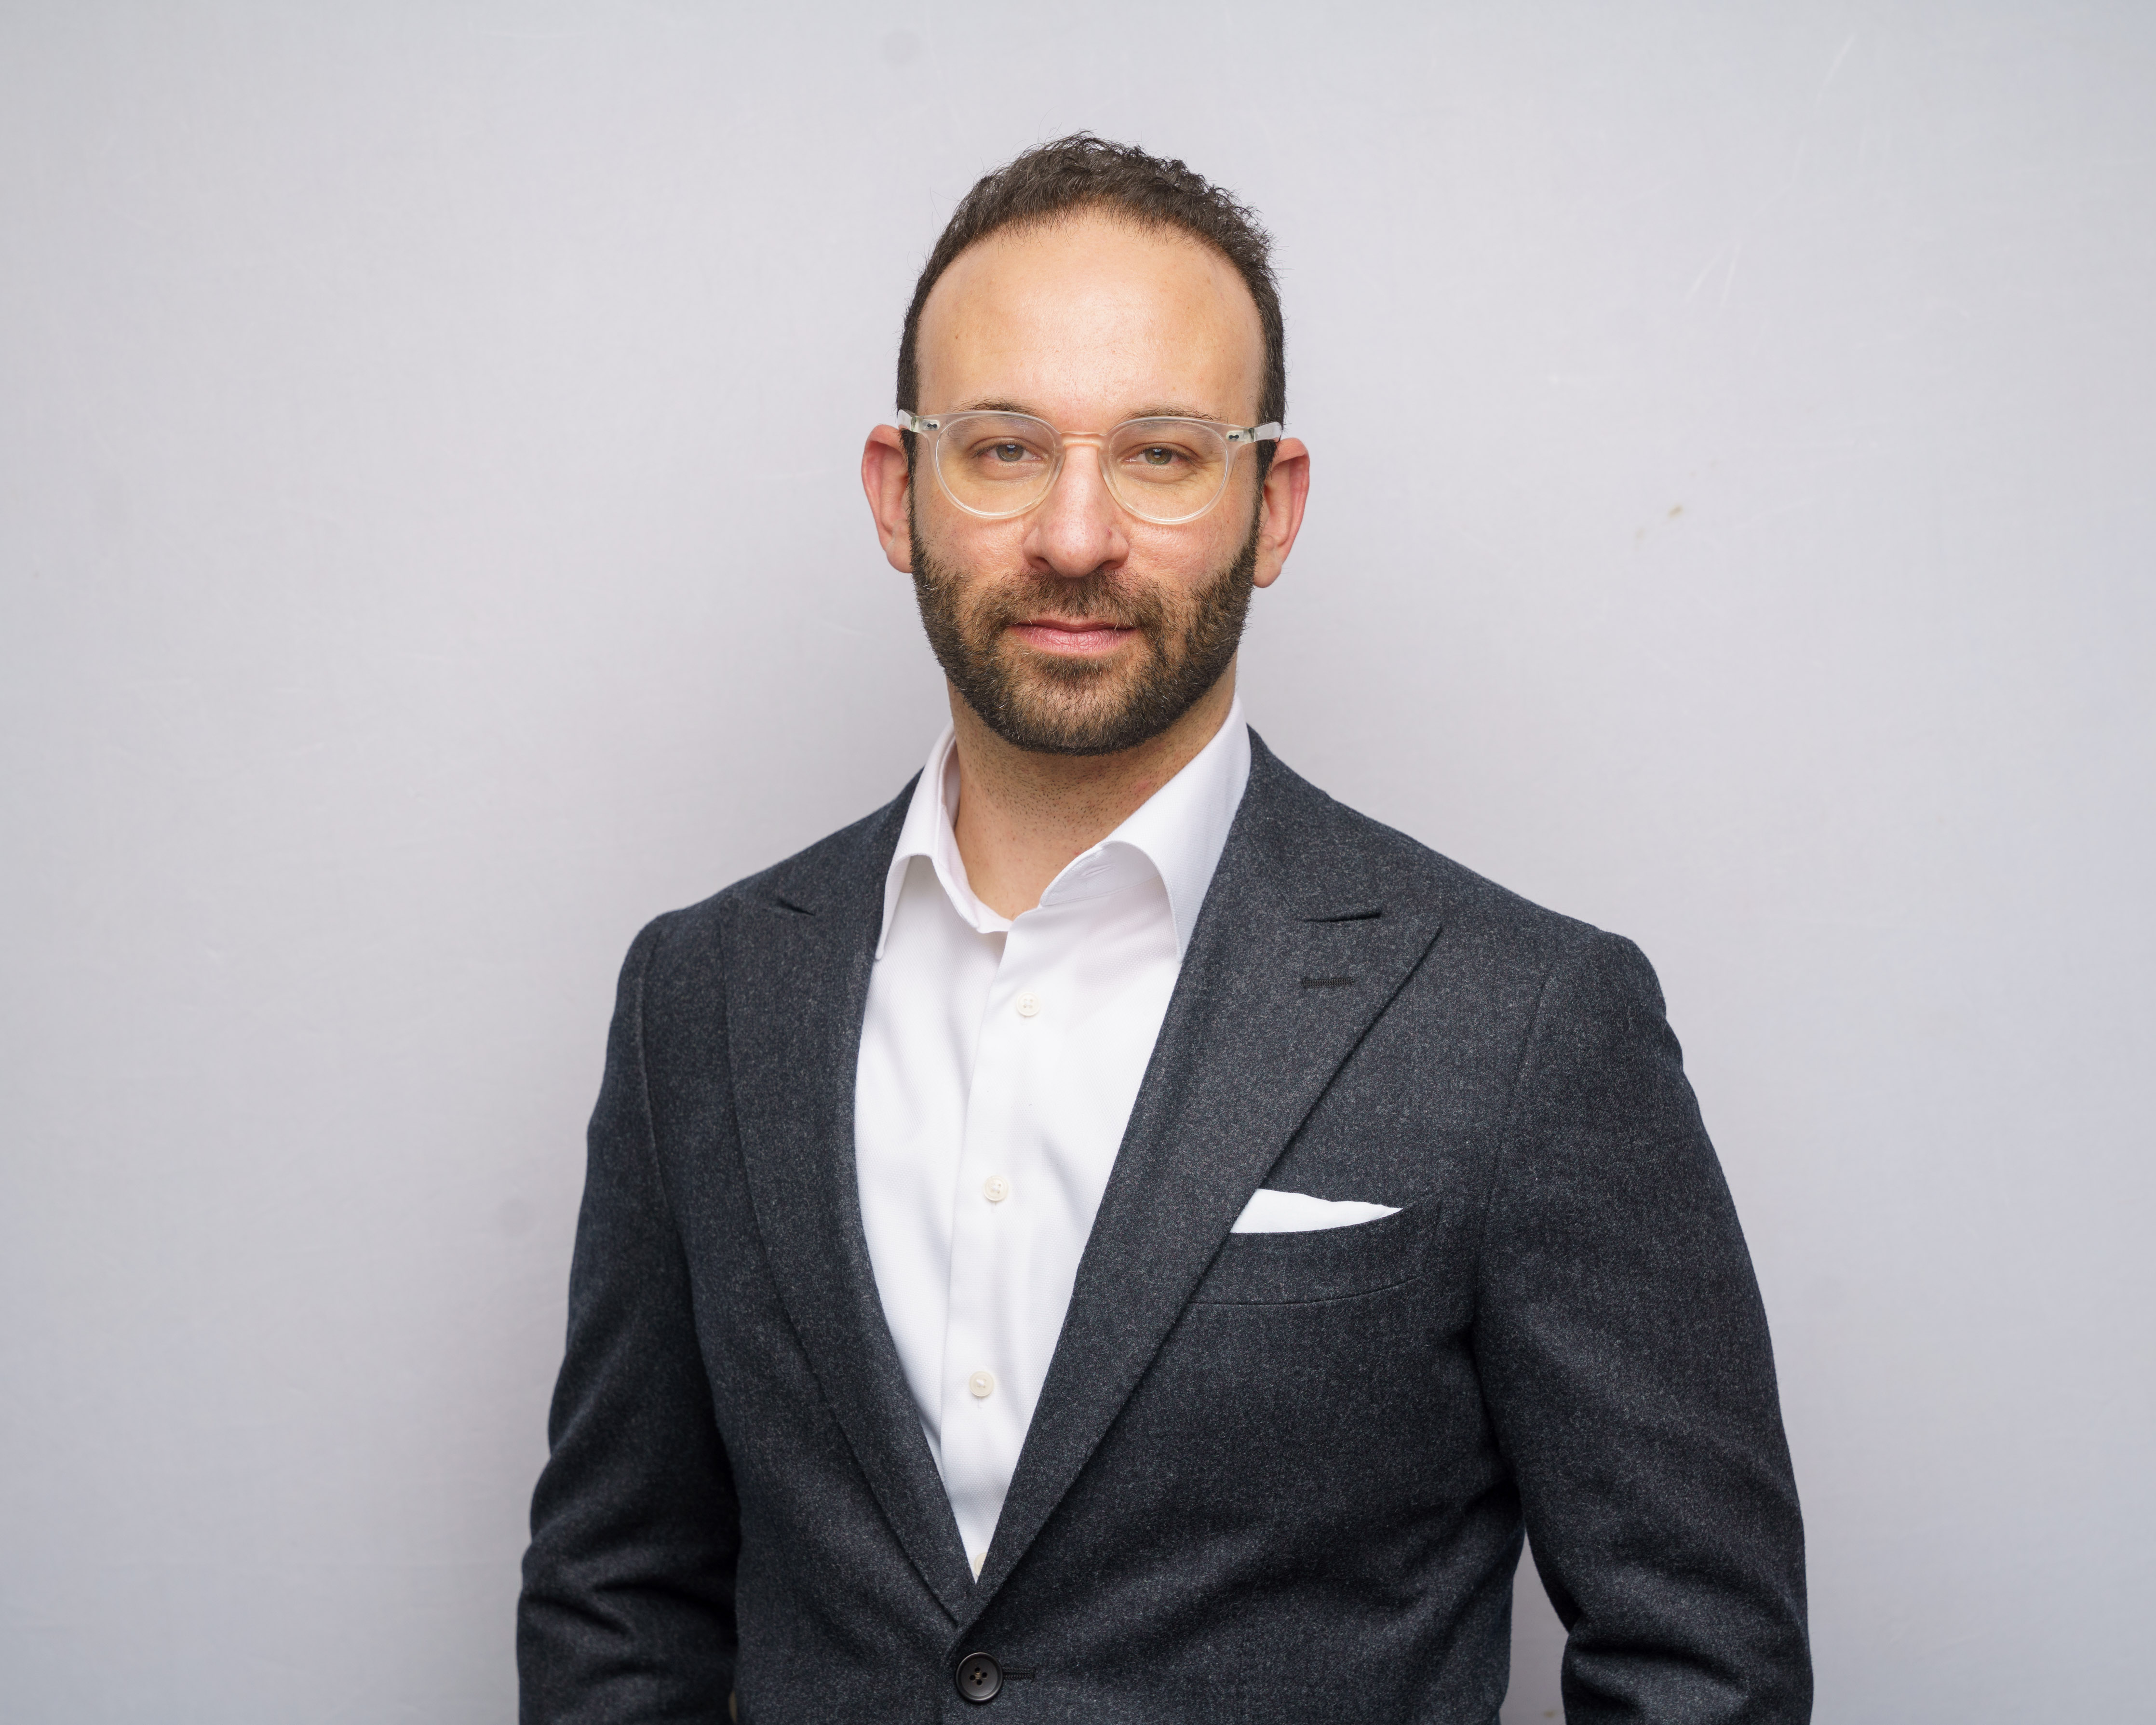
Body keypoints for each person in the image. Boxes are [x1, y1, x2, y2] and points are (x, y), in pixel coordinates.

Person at [517, 135, 1810, 1725]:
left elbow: (1704, 1660)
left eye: (1164, 454)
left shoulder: (1527, 1020)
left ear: (1273, 506)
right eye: (1003, 447)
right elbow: (619, 1599)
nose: (1075, 536)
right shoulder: (704, 996)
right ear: (898, 491)